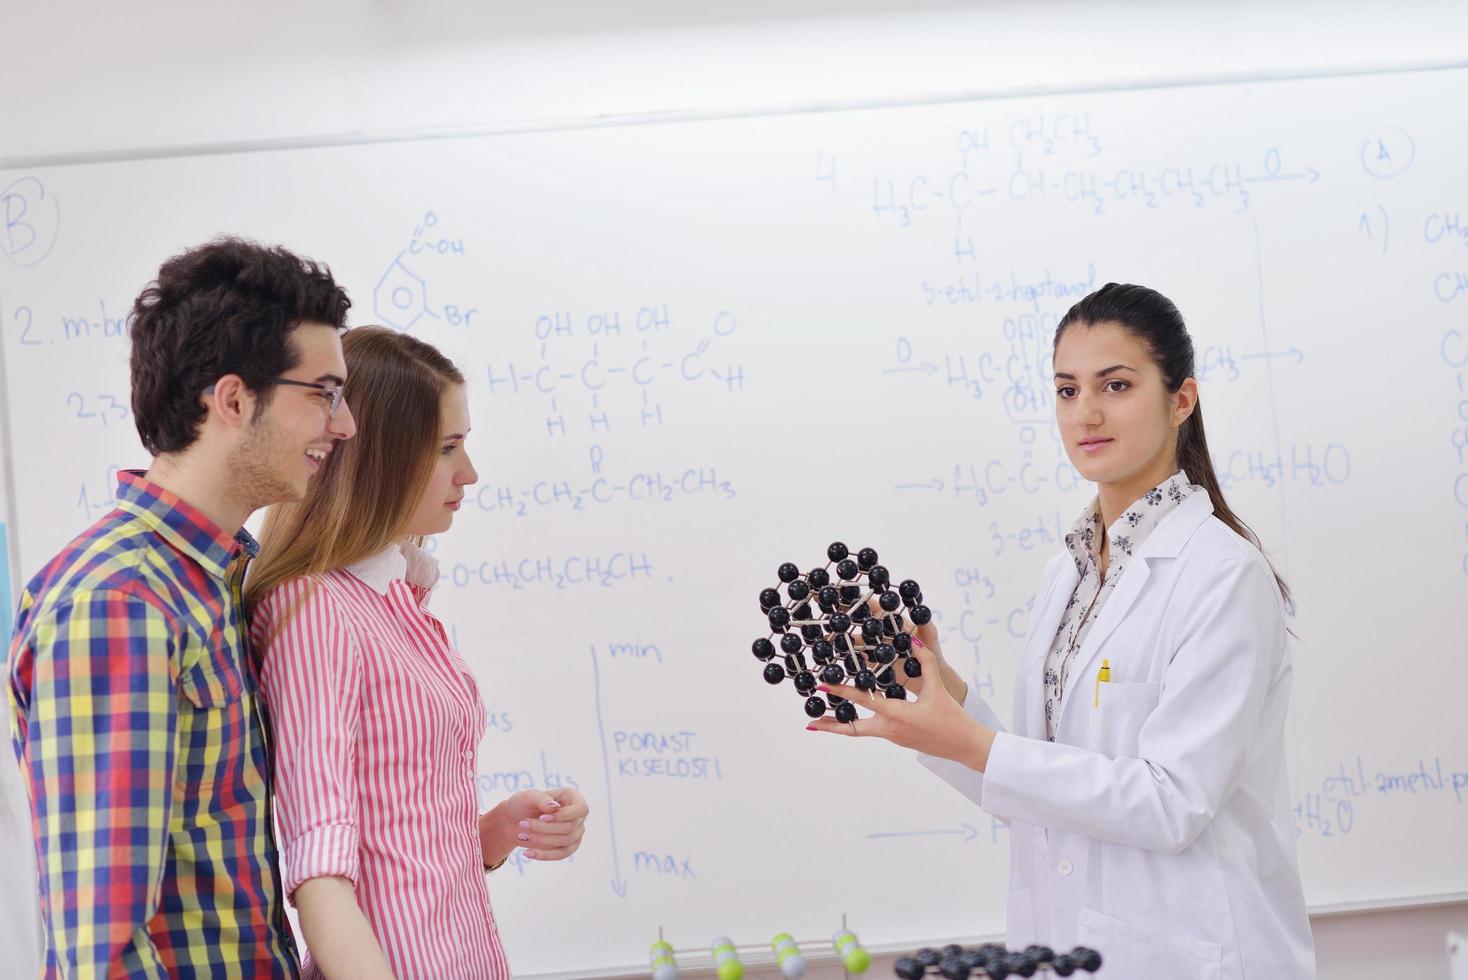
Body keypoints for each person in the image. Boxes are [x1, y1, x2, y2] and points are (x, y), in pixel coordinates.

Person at [810, 283, 1316, 979]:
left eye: (1116, 385)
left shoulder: (1223, 575)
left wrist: (977, 745)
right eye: (1067, 390)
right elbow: (1038, 786)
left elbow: (1172, 803)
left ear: (1182, 401)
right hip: (1070, 950)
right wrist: (940, 693)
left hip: (1191, 955)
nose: (1088, 413)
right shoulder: (1069, 572)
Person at [7, 238, 355, 976]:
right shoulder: (120, 603)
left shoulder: (212, 580)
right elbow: (100, 943)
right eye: (323, 393)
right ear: (232, 399)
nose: (345, 424)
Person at [245, 326, 590, 979]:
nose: (470, 473)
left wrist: (500, 828)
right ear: (379, 456)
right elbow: (320, 863)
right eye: (448, 449)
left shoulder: (396, 601)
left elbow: (403, 838)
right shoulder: (315, 611)